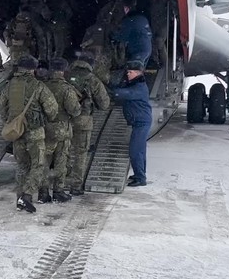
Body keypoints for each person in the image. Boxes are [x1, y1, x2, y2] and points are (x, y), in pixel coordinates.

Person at [0, 55, 58, 213]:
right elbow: (52, 109)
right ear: (33, 69)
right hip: (35, 132)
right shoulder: (38, 86)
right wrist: (47, 119)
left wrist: (11, 122)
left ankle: (19, 199)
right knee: (38, 164)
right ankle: (27, 195)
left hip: (17, 133)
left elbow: (2, 108)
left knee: (22, 166)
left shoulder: (9, 85)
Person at [65, 51, 110, 195]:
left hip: (63, 120)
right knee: (80, 154)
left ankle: (60, 182)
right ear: (91, 65)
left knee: (62, 151)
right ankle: (76, 186)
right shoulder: (93, 80)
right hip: (83, 121)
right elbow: (104, 104)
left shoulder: (65, 76)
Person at [38, 58, 81, 203]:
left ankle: (43, 192)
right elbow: (74, 111)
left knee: (43, 161)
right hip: (61, 130)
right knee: (61, 161)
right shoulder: (67, 89)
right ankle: (58, 191)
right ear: (64, 70)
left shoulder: (42, 86)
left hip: (44, 129)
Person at [112, 60, 152, 187]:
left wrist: (112, 91)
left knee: (135, 150)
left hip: (141, 122)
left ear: (137, 73)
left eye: (130, 72)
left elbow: (125, 94)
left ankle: (141, 179)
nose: (128, 74)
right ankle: (140, 174)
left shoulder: (139, 87)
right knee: (140, 150)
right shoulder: (135, 83)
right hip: (139, 121)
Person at [112, 0, 153, 67]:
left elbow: (123, 36)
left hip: (138, 51)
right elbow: (149, 33)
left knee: (134, 71)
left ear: (127, 8)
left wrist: (114, 37)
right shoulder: (143, 18)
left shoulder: (128, 21)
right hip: (148, 49)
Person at [145, 0, 169, 68]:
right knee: (154, 43)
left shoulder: (162, 1)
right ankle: (156, 61)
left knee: (159, 42)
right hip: (154, 25)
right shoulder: (151, 1)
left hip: (162, 25)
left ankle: (165, 62)